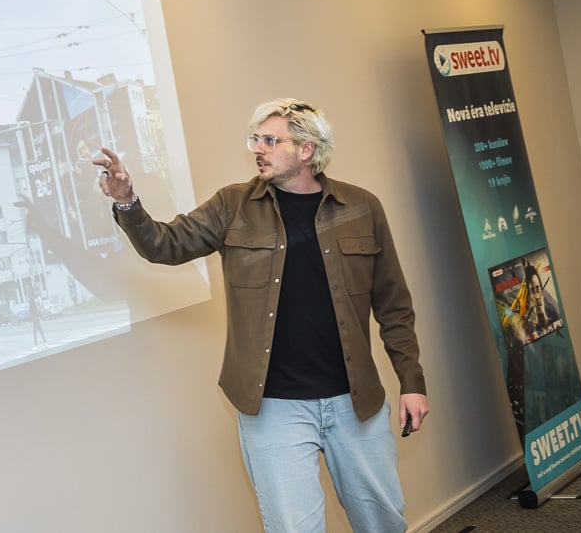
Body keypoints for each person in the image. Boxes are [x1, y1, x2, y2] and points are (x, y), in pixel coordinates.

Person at [94, 98, 428, 533]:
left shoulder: (362, 207)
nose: (258, 149)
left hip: (355, 402)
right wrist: (127, 202)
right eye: (256, 139)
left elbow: (394, 304)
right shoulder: (232, 205)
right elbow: (164, 245)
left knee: (383, 524)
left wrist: (411, 382)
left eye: (271, 140)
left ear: (306, 150)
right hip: (274, 408)